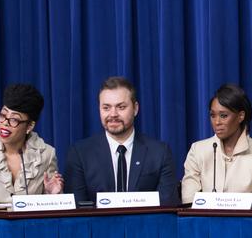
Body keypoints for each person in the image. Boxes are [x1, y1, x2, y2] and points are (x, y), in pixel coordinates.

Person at [67, 77, 180, 206]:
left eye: (121, 107)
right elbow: (76, 210)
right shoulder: (80, 154)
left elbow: (167, 207)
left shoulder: (160, 153)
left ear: (135, 109)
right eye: (106, 108)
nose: (113, 114)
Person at [181, 84, 252, 206]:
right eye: (212, 115)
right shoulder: (198, 150)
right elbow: (189, 201)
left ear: (241, 116)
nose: (217, 122)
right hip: (205, 223)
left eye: (223, 116)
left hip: (244, 224)